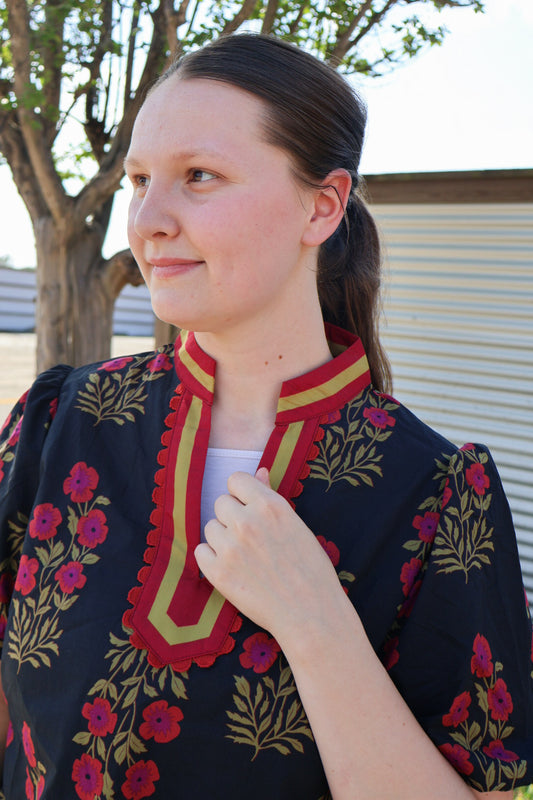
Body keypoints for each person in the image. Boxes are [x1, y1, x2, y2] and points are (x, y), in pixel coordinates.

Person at [0, 33, 531, 800]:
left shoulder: (437, 498)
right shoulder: (60, 426)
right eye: (139, 179)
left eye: (199, 177)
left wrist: (316, 626)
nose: (147, 218)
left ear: (321, 207)